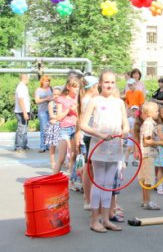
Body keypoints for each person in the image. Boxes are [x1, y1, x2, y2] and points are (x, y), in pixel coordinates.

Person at [80, 69, 129, 232]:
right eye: (106, 82)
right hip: (99, 147)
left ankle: (106, 219)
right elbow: (83, 125)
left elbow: (126, 124)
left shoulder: (119, 102)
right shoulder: (95, 101)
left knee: (109, 185)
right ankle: (94, 220)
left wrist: (125, 133)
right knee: (99, 183)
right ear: (100, 83)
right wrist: (100, 134)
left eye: (112, 82)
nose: (109, 85)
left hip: (115, 147)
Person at [136, 101, 163, 210]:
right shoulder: (149, 123)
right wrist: (160, 143)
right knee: (148, 179)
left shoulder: (147, 123)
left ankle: (145, 201)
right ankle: (147, 201)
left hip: (144, 154)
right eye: (156, 111)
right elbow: (147, 141)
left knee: (145, 179)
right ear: (149, 113)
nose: (158, 113)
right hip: (148, 154)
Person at [53, 77, 81, 174]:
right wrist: (68, 110)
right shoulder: (61, 99)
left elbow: (81, 116)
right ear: (68, 87)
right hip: (64, 129)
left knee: (74, 156)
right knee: (61, 157)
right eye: (75, 87)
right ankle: (53, 180)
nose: (77, 89)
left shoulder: (78, 99)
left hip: (75, 129)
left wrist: (75, 110)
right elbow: (59, 117)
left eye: (78, 87)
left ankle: (71, 180)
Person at [79, 76, 99, 210]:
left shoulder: (85, 99)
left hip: (89, 135)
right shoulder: (89, 100)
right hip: (91, 135)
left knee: (89, 166)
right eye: (97, 86)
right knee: (89, 167)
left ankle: (88, 198)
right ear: (93, 87)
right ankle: (88, 198)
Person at [45, 87, 62, 169]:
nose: (56, 96)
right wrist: (57, 118)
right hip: (53, 125)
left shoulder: (61, 103)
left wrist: (57, 118)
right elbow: (51, 115)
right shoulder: (51, 103)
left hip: (60, 124)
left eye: (58, 94)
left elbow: (60, 116)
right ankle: (52, 161)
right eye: (54, 94)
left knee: (62, 144)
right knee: (52, 145)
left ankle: (62, 160)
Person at [35, 75, 53, 153]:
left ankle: (49, 146)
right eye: (45, 81)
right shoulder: (38, 90)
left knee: (50, 129)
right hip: (42, 111)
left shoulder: (51, 89)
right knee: (43, 129)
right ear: (42, 81)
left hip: (50, 111)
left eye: (48, 81)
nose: (47, 82)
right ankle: (43, 146)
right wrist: (46, 99)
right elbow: (37, 101)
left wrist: (52, 99)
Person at [14, 74, 31, 153]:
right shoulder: (21, 87)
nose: (28, 80)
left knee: (24, 128)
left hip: (24, 111)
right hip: (21, 111)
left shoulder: (24, 87)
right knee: (21, 129)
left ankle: (24, 145)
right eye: (28, 78)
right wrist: (24, 112)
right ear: (25, 78)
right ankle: (18, 146)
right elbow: (20, 100)